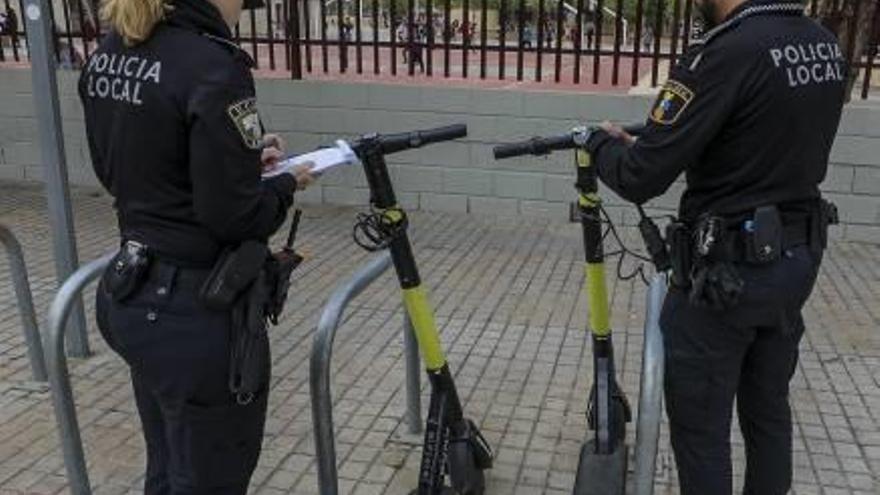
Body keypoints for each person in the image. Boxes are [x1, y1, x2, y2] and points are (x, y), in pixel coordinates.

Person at [583, 0, 847, 494]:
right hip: (794, 265)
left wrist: (603, 145)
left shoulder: (723, 54)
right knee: (768, 412)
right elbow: (761, 132)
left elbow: (641, 174)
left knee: (701, 432)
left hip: (726, 281)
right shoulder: (823, 44)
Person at [79, 0, 317, 493]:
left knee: (168, 468)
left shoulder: (110, 50)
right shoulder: (213, 65)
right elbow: (236, 217)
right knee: (209, 478)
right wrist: (285, 184)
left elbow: (123, 171)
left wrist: (238, 162)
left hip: (130, 293)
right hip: (193, 314)